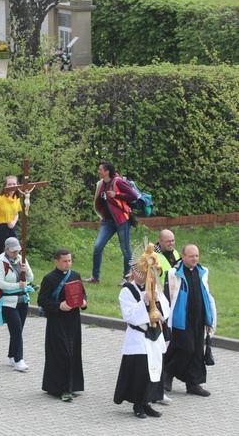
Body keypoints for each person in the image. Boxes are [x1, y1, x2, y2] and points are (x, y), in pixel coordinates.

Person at [113, 244, 171, 418]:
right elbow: (129, 315)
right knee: (140, 372)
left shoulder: (154, 288)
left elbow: (166, 310)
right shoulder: (127, 291)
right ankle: (137, 404)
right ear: (134, 272)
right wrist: (144, 301)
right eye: (141, 272)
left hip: (154, 336)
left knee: (155, 370)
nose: (144, 275)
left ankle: (148, 402)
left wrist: (158, 305)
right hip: (139, 336)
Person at [163, 244, 216, 397]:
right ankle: (168, 372)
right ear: (183, 256)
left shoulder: (202, 272)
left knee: (198, 351)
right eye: (191, 256)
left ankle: (193, 383)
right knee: (186, 349)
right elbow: (168, 296)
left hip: (199, 317)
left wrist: (208, 319)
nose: (195, 259)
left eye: (197, 256)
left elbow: (207, 296)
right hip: (181, 318)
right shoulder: (174, 273)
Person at [38, 248, 87, 402]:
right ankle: (60, 388)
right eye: (65, 261)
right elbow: (42, 300)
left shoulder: (75, 275)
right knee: (61, 354)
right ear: (56, 261)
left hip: (73, 320)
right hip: (57, 321)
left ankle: (72, 386)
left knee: (73, 352)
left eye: (70, 261)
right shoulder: (49, 278)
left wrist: (84, 303)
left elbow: (82, 294)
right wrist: (58, 306)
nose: (68, 264)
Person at [85, 161, 138, 286]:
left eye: (100, 169)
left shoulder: (118, 182)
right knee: (98, 247)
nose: (98, 171)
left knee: (125, 250)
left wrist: (117, 195)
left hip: (121, 221)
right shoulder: (101, 184)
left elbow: (133, 195)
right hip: (107, 222)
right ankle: (95, 277)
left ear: (107, 171)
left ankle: (127, 277)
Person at [0, 237, 34, 372]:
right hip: (9, 303)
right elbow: (0, 283)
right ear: (6, 250)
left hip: (23, 300)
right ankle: (18, 359)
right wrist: (17, 285)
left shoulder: (22, 260)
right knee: (16, 330)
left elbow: (31, 278)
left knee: (18, 330)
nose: (16, 253)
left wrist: (26, 270)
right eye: (13, 251)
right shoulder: (1, 263)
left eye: (17, 251)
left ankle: (11, 355)